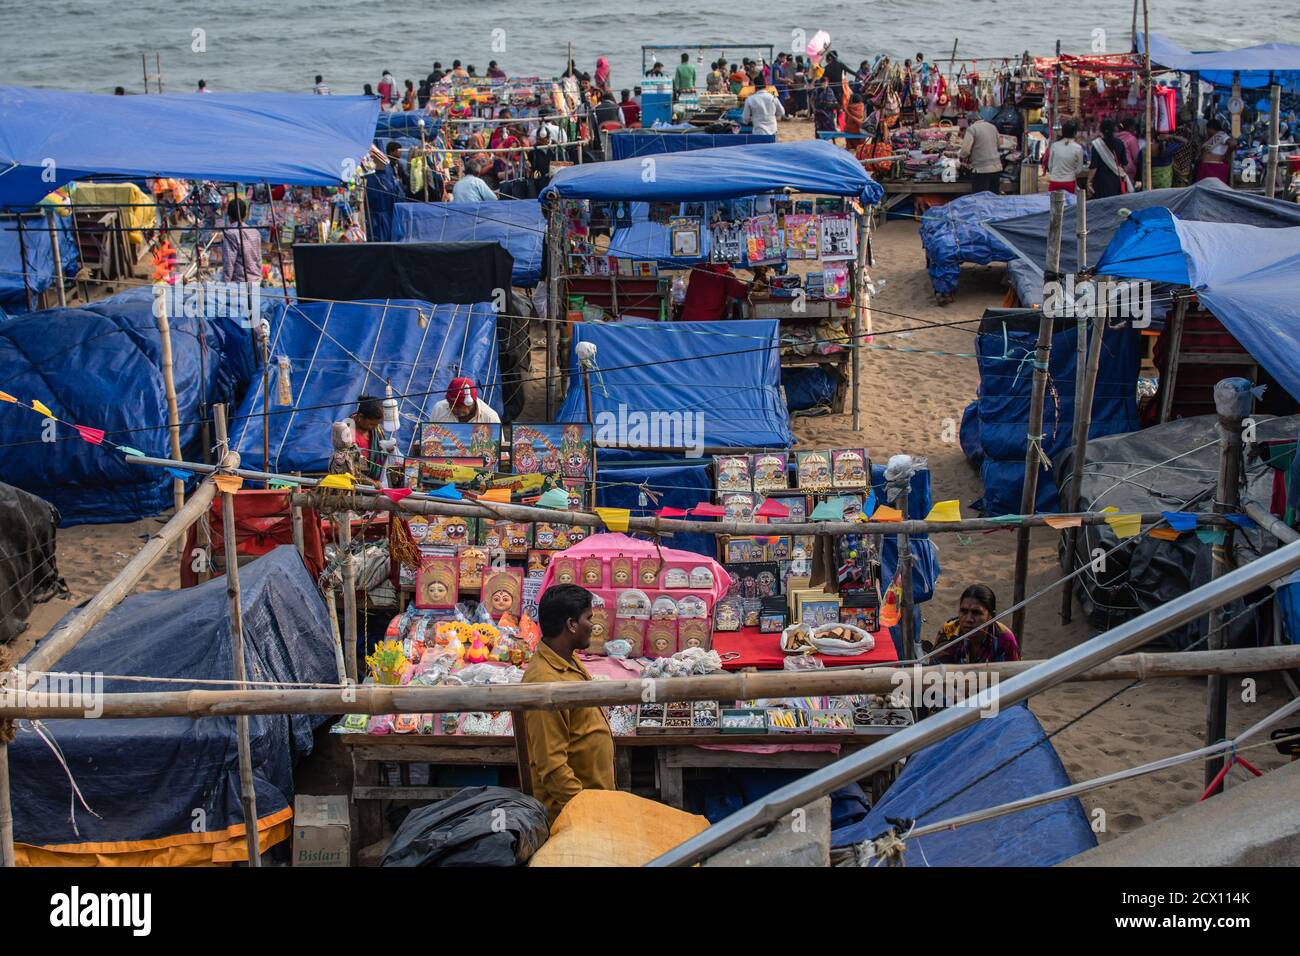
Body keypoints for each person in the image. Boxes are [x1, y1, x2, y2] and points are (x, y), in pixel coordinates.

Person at [521, 584, 616, 823]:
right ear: (572, 624)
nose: (593, 624)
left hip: (594, 804)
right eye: (589, 618)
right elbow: (552, 768)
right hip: (572, 815)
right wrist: (585, 813)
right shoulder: (544, 682)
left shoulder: (567, 660)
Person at [927, 585, 1020, 665]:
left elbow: (1012, 678)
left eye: (976, 613)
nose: (968, 619)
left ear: (991, 616)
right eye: (964, 611)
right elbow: (936, 672)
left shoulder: (1005, 639)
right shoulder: (949, 631)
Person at [680, 262, 750, 322]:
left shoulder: (697, 270)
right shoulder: (726, 276)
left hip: (687, 319)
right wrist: (750, 286)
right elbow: (741, 292)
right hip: (708, 321)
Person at [221, 196, 262, 285]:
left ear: (229, 215)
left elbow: (229, 263)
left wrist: (224, 284)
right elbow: (259, 260)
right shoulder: (255, 232)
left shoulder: (230, 234)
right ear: (245, 214)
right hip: (255, 281)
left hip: (240, 283)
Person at [960, 110, 1003, 194]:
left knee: (980, 199)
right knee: (994, 197)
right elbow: (999, 144)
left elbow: (965, 151)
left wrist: (961, 158)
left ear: (970, 121)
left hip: (981, 170)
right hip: (996, 168)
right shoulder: (992, 127)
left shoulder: (972, 129)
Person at [1088, 118, 1131, 197]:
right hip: (1116, 179)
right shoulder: (1120, 143)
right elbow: (1124, 164)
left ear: (1101, 130)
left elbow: (1094, 167)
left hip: (1101, 181)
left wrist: (1089, 181)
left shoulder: (1097, 145)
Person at [428, 377, 501, 423]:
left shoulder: (490, 417)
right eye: (451, 404)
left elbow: (500, 447)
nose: (454, 409)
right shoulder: (439, 409)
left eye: (459, 406)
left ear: (471, 402)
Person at [350, 395, 388, 482]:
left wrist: (388, 449)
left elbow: (380, 453)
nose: (375, 427)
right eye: (372, 424)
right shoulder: (347, 432)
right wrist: (371, 482)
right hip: (355, 481)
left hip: (374, 480)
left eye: (377, 424)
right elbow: (350, 467)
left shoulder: (376, 430)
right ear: (360, 416)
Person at [1041, 119, 1086, 193]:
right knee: (1070, 204)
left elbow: (1050, 166)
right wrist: (1070, 172)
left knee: (1053, 203)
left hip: (1054, 182)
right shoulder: (1078, 148)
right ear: (1075, 133)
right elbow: (1079, 169)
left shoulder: (1054, 146)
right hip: (1069, 182)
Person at [1196, 118, 1234, 184]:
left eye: (1207, 129)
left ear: (1211, 128)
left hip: (1214, 167)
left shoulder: (1222, 135)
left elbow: (1232, 143)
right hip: (1207, 166)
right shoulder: (1212, 137)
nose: (1207, 131)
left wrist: (1227, 153)